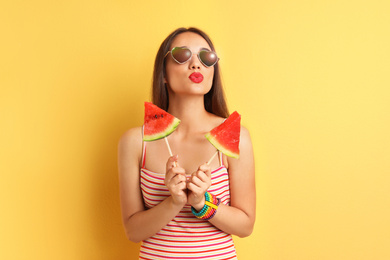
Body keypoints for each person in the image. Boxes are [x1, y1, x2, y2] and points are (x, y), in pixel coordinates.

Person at [118, 27, 256, 259]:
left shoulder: (235, 135)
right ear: (163, 73)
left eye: (206, 57)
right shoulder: (134, 142)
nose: (196, 64)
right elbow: (133, 231)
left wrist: (203, 203)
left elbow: (245, 226)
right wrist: (173, 202)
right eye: (182, 56)